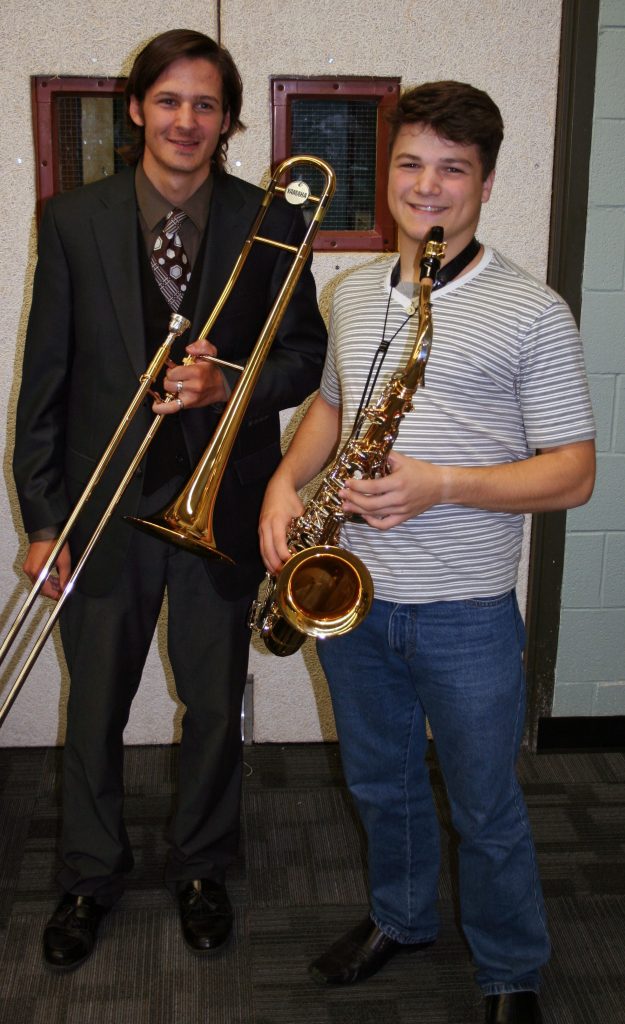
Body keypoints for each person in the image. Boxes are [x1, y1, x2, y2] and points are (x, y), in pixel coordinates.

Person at [259, 81, 595, 1024]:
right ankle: (400, 921)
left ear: (486, 182)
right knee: (380, 780)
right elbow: (330, 404)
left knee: (485, 805)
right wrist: (286, 486)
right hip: (350, 596)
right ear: (388, 175)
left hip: (465, 610)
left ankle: (509, 970)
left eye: (453, 168)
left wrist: (442, 482)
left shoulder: (533, 311)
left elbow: (573, 474)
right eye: (411, 163)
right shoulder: (353, 289)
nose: (428, 185)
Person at [12, 29, 326, 970]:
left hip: (218, 510)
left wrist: (233, 385)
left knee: (213, 699)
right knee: (96, 701)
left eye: (205, 105)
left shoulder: (269, 220)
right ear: (137, 108)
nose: (186, 120)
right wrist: (40, 519)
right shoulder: (72, 220)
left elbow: (307, 354)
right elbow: (45, 386)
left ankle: (201, 862)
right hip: (103, 510)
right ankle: (88, 873)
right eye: (169, 100)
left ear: (227, 120)